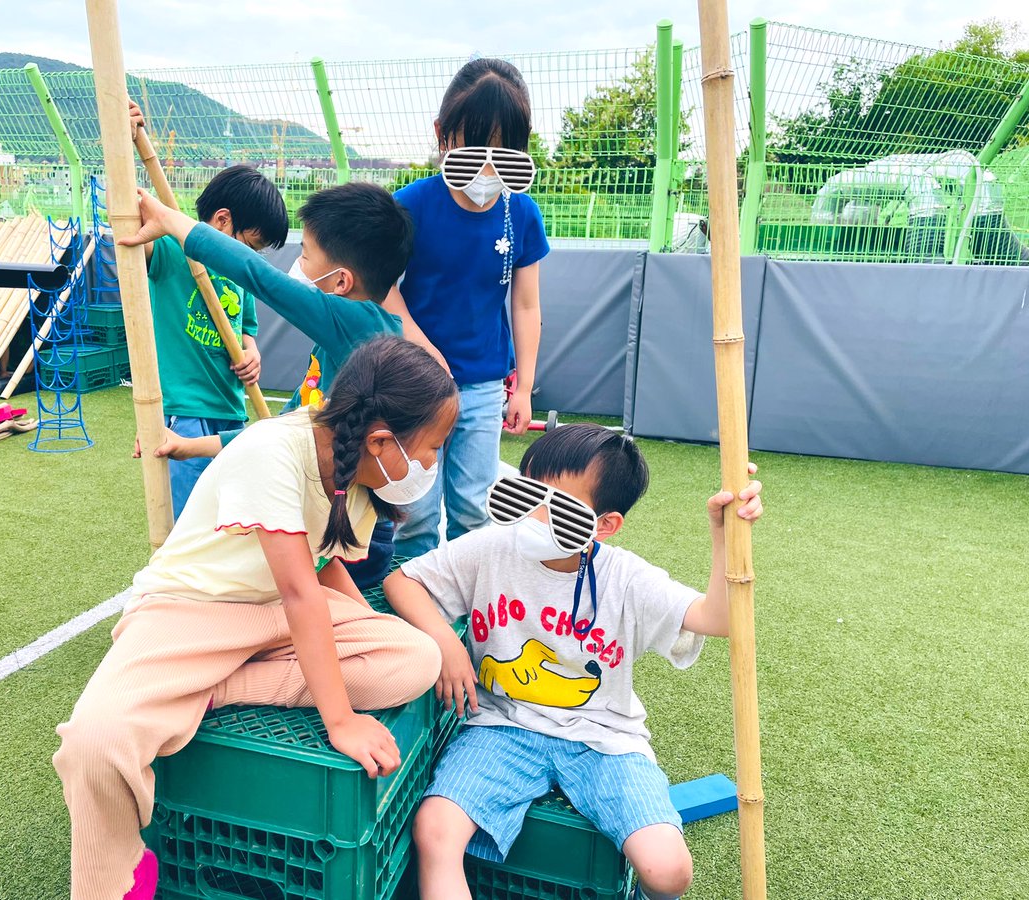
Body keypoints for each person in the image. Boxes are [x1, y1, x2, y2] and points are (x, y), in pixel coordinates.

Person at [54, 337, 458, 900]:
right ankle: (117, 876)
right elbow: (299, 592)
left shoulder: (363, 473)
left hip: (277, 620)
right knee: (94, 745)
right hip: (191, 610)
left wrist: (370, 630)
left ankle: (210, 689)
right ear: (382, 441)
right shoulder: (274, 450)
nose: (433, 462)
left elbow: (324, 569)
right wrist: (338, 720)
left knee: (413, 658)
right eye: (433, 446)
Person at [383, 425, 764, 900]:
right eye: (523, 492)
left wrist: (725, 537)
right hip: (499, 726)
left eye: (557, 507)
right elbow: (403, 582)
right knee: (434, 831)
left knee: (669, 871)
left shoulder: (625, 578)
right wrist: (445, 641)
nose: (532, 515)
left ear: (604, 525)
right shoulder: (491, 548)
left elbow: (718, 618)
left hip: (605, 737)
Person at [126, 179, 414, 588]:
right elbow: (281, 432)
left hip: (350, 535)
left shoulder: (361, 327)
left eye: (307, 254)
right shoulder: (341, 342)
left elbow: (259, 277)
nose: (298, 264)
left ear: (341, 282)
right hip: (334, 525)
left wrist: (171, 221)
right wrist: (189, 447)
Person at [384, 58, 549, 559]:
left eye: (506, 149)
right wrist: (422, 347)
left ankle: (464, 600)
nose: (488, 165)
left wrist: (522, 386)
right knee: (414, 510)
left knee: (474, 508)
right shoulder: (410, 205)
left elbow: (525, 303)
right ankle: (411, 595)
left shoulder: (520, 211)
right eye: (475, 145)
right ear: (442, 134)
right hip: (414, 383)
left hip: (481, 386)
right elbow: (383, 289)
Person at [129, 102, 288, 517]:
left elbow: (246, 328)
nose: (251, 257)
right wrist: (123, 140)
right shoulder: (169, 249)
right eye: (250, 245)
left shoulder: (239, 273)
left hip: (232, 413)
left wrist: (252, 352)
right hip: (185, 412)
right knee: (188, 521)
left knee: (230, 519)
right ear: (221, 221)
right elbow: (127, 216)